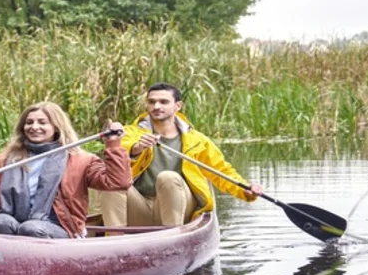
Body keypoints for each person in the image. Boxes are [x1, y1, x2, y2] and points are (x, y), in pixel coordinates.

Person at [0, 102, 130, 238]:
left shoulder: (81, 160)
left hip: (60, 228)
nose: (34, 127)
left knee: (30, 228)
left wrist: (113, 144)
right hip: (15, 224)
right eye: (29, 122)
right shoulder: (5, 160)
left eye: (42, 122)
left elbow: (118, 182)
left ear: (56, 128)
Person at [101, 83, 264, 228]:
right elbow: (118, 153)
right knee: (112, 183)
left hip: (179, 209)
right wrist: (136, 148)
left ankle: (172, 238)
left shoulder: (197, 140)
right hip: (140, 207)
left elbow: (222, 171)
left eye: (164, 102)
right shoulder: (131, 133)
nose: (156, 106)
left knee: (168, 177)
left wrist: (246, 190)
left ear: (177, 106)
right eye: (152, 102)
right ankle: (114, 243)